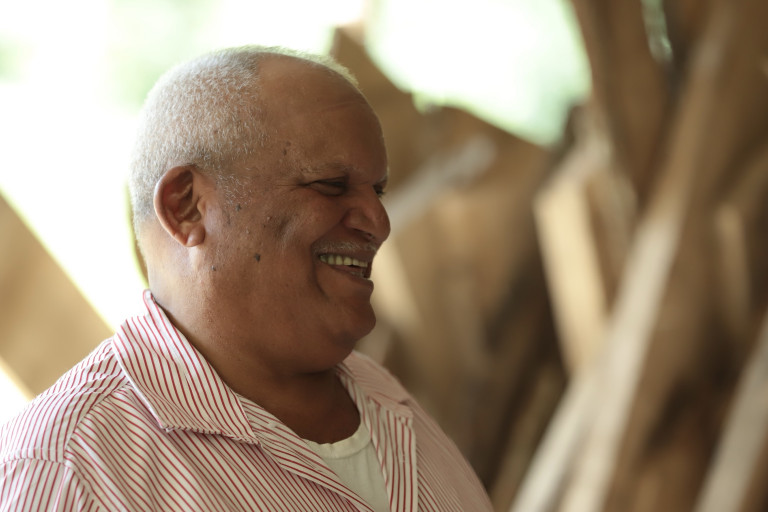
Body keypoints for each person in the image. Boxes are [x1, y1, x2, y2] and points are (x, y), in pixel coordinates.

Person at [0, 46, 493, 511]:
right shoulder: (71, 470)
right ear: (187, 207)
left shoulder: (388, 403)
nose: (378, 223)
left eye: (377, 192)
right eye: (331, 185)